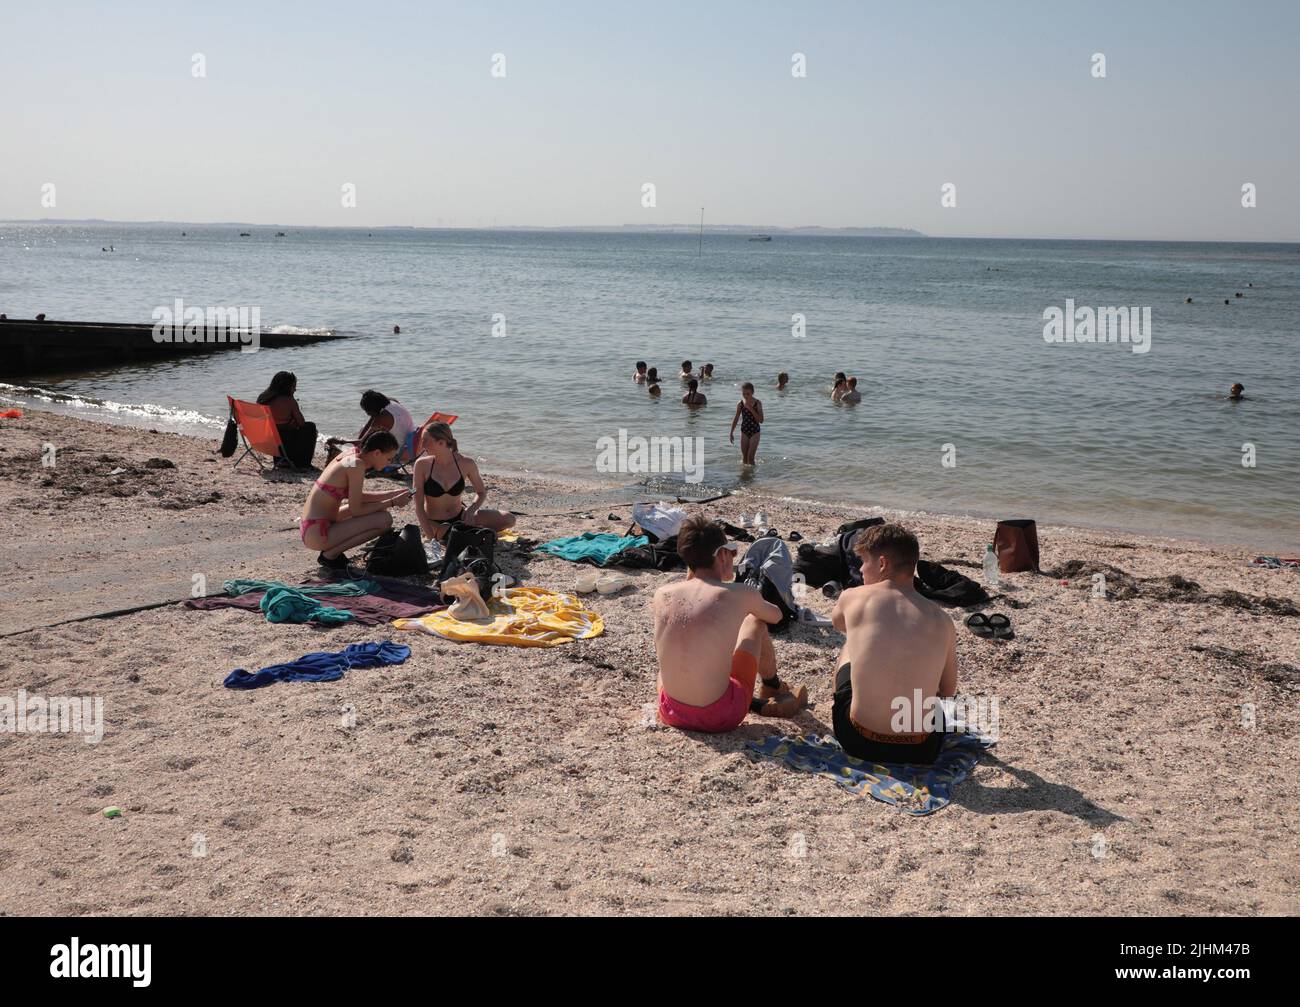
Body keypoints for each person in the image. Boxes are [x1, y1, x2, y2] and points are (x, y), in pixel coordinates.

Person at [654, 517, 807, 732]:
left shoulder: (662, 594)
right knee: (755, 622)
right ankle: (772, 687)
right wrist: (748, 606)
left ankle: (757, 698)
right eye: (732, 551)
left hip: (670, 711)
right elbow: (776, 616)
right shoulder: (740, 594)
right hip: (721, 716)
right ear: (723, 554)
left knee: (675, 658)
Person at [829, 524, 956, 764]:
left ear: (882, 564)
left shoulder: (853, 596)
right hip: (922, 749)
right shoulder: (942, 619)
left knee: (849, 646)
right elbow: (948, 692)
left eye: (863, 562)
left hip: (858, 741)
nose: (861, 571)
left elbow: (839, 624)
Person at [299, 431, 410, 570]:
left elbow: (357, 496)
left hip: (313, 525)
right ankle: (330, 555)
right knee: (384, 520)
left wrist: (392, 494)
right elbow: (356, 510)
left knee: (379, 510)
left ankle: (330, 554)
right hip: (318, 533)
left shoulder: (350, 456)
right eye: (389, 459)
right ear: (376, 453)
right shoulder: (357, 465)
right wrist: (393, 502)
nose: (390, 463)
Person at [413, 421, 516, 541]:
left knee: (509, 519)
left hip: (461, 516)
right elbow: (418, 506)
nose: (422, 445)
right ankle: (475, 533)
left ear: (441, 442)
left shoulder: (466, 463)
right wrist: (430, 537)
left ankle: (473, 531)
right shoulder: (422, 465)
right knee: (455, 537)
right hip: (435, 523)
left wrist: (471, 510)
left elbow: (481, 493)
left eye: (425, 441)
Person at [327, 390, 415, 464]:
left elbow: (362, 442)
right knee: (357, 450)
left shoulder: (383, 418)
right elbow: (366, 431)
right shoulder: (393, 403)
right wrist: (358, 442)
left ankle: (342, 463)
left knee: (352, 461)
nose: (367, 413)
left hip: (394, 453)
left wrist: (340, 441)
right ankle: (343, 460)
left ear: (373, 408)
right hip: (407, 446)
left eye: (367, 410)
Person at [256, 371, 318, 468]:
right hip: (284, 440)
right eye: (293, 386)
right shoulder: (289, 401)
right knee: (310, 427)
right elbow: (301, 423)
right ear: (287, 387)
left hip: (267, 441)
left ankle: (281, 459)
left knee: (282, 431)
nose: (295, 389)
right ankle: (304, 463)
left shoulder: (263, 398)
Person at [729, 382, 763, 465]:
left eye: (748, 394)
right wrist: (731, 432)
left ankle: (752, 476)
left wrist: (750, 408)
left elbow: (761, 420)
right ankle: (745, 475)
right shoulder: (740, 404)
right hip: (744, 431)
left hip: (755, 431)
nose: (746, 396)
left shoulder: (757, 403)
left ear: (752, 393)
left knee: (750, 457)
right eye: (744, 394)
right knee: (744, 457)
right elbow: (736, 418)